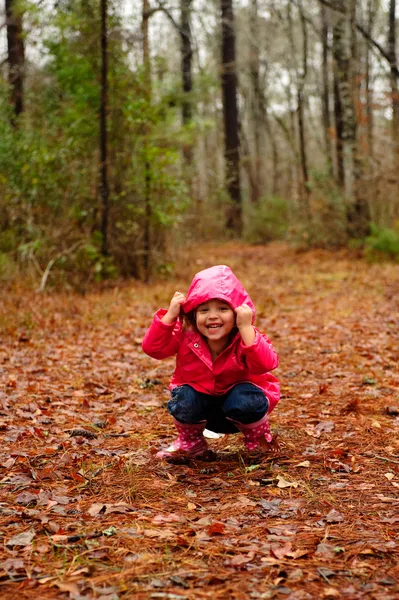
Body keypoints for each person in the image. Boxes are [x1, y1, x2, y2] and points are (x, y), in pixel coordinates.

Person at [142, 265, 279, 460]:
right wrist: (170, 316)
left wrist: (246, 328)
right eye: (204, 310)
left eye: (222, 309)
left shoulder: (245, 336)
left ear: (237, 313)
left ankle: (258, 441)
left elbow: (266, 364)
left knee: (245, 396)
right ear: (193, 315)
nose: (212, 316)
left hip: (240, 412)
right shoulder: (186, 336)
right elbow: (152, 349)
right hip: (201, 414)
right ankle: (191, 444)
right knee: (184, 395)